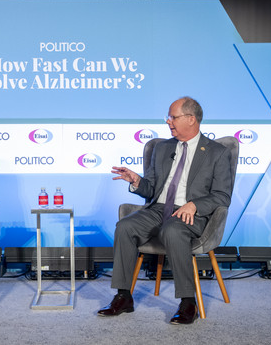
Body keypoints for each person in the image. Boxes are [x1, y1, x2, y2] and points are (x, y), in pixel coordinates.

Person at [98, 97, 233, 325]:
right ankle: (123, 296)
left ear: (191, 119)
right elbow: (151, 189)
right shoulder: (162, 148)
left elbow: (222, 195)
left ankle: (188, 302)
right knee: (125, 227)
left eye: (173, 117)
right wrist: (137, 181)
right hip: (158, 209)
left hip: (190, 214)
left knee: (172, 230)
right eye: (168, 117)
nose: (168, 121)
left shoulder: (216, 152)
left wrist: (195, 204)